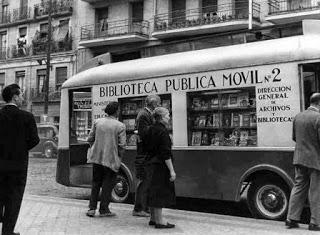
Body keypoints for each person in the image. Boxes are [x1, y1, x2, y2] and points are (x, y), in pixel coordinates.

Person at [0, 84, 40, 235]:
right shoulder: (27, 117)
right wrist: (21, 148)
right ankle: (8, 232)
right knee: (13, 200)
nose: (23, 97)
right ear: (15, 97)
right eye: (21, 95)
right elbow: (35, 140)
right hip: (18, 167)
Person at [286, 93, 320, 231]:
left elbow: (295, 137)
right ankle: (315, 222)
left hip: (299, 158)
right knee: (316, 191)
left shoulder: (298, 116)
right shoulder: (318, 117)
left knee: (299, 187)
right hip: (315, 160)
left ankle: (291, 219)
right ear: (319, 103)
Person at [86, 101, 126, 217]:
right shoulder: (120, 126)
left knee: (96, 183)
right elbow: (122, 145)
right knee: (108, 184)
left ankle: (92, 209)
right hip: (111, 159)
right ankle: (104, 209)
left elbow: (90, 139)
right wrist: (119, 156)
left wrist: (95, 148)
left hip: (97, 157)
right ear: (117, 111)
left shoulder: (97, 122)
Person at [145, 107, 176, 229]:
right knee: (160, 192)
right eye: (168, 115)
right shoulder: (163, 132)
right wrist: (172, 171)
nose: (169, 117)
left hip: (150, 163)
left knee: (153, 191)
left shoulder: (150, 129)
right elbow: (165, 153)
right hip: (160, 165)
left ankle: (153, 218)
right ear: (162, 117)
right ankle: (160, 221)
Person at [132, 95, 161, 217]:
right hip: (144, 154)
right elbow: (144, 133)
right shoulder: (144, 115)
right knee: (144, 182)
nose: (159, 105)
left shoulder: (145, 114)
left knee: (147, 182)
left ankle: (144, 207)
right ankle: (139, 209)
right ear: (153, 104)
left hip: (145, 153)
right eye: (158, 103)